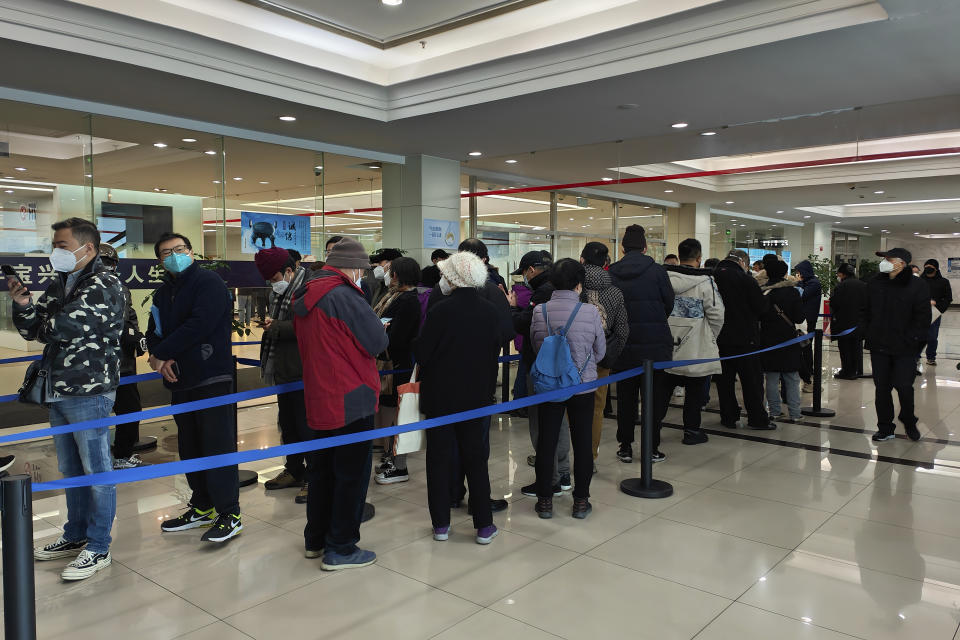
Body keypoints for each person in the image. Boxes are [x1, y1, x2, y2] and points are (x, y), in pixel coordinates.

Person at [10, 217, 123, 580]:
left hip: (89, 390)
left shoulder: (104, 283)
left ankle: (98, 545)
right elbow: (34, 327)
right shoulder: (62, 281)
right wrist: (24, 303)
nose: (55, 252)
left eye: (61, 245)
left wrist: (44, 323)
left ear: (87, 247)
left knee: (97, 470)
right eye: (54, 245)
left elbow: (61, 328)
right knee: (72, 469)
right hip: (58, 387)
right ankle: (75, 535)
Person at [292, 237, 388, 569]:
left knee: (321, 472)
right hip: (351, 395)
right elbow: (376, 341)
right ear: (353, 268)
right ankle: (342, 547)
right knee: (351, 475)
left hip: (319, 395)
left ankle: (315, 539)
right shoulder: (344, 295)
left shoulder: (306, 292)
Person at [147, 232, 241, 544]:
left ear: (190, 251)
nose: (174, 255)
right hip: (180, 380)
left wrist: (162, 353)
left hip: (211, 376)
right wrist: (159, 357)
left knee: (217, 445)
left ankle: (230, 512)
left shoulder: (209, 283)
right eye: (166, 252)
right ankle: (202, 505)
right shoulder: (162, 294)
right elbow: (154, 331)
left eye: (179, 249)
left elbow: (199, 324)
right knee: (190, 446)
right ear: (160, 260)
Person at [416, 251, 507, 544]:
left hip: (440, 397)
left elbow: (422, 353)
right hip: (477, 396)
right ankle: (483, 525)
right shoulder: (490, 311)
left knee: (439, 459)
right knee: (475, 459)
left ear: (452, 277)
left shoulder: (439, 311)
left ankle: (441, 524)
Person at [530, 259, 605, 518]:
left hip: (550, 386)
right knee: (582, 443)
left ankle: (545, 502)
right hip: (582, 387)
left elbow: (535, 346)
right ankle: (581, 502)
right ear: (579, 284)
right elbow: (601, 351)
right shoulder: (590, 312)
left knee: (546, 442)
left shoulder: (540, 311)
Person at [608, 225, 674, 462]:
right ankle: (652, 448)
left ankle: (625, 446)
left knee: (625, 400)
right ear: (646, 248)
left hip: (623, 345)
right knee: (653, 401)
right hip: (654, 347)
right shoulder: (658, 271)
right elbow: (669, 303)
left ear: (623, 248)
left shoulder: (612, 271)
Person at [507, 250, 571, 491]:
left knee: (541, 424)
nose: (523, 277)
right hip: (561, 364)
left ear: (531, 270)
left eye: (523, 272)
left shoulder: (543, 292)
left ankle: (549, 478)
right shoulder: (561, 289)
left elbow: (524, 324)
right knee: (558, 420)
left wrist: (512, 308)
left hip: (541, 364)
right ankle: (563, 474)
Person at [655, 238, 725, 445]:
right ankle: (692, 431)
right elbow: (716, 314)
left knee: (661, 393)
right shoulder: (706, 282)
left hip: (665, 345)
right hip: (695, 347)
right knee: (695, 393)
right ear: (698, 258)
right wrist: (709, 336)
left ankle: (654, 429)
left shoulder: (662, 278)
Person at [255, 247, 310, 503]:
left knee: (306, 425)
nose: (272, 284)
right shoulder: (281, 292)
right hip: (284, 369)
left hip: (304, 370)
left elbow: (311, 325)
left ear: (290, 270)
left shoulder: (309, 287)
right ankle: (294, 469)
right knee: (288, 424)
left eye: (274, 279)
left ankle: (314, 477)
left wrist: (277, 327)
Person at [863, 248, 930, 442]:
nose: (885, 261)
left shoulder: (917, 285)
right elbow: (865, 310)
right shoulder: (875, 283)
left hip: (905, 348)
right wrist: (867, 331)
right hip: (879, 346)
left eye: (888, 258)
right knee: (881, 389)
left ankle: (908, 420)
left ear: (902, 263)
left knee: (904, 387)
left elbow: (923, 317)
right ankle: (885, 427)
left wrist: (912, 340)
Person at [372, 256, 422, 485]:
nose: (387, 274)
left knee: (400, 414)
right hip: (387, 363)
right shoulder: (394, 295)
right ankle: (391, 457)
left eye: (390, 271)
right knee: (392, 412)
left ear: (398, 275)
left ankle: (399, 465)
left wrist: (380, 329)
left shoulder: (409, 300)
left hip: (398, 365)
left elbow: (398, 338)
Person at [579, 242, 628, 468]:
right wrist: (609, 354)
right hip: (602, 358)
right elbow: (622, 331)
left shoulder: (574, 287)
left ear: (582, 260)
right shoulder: (615, 291)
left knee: (568, 404)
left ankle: (566, 455)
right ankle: (590, 456)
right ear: (606, 262)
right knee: (597, 407)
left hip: (574, 356)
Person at [714, 249, 775, 430]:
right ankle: (757, 419)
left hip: (719, 339)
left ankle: (728, 417)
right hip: (745, 339)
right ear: (742, 262)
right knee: (751, 382)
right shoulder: (746, 280)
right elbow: (761, 308)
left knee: (724, 382)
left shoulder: (712, 277)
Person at [99, 244, 148, 470]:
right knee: (104, 411)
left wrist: (135, 337)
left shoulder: (120, 287)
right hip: (101, 364)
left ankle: (121, 454)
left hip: (123, 361)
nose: (107, 267)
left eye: (109, 263)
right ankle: (111, 457)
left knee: (128, 408)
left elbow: (130, 316)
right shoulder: (86, 289)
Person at [758, 259, 804, 422]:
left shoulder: (762, 292)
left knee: (771, 378)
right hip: (788, 339)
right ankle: (795, 413)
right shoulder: (792, 292)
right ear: (785, 273)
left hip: (767, 339)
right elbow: (799, 317)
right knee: (791, 377)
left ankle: (775, 412)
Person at [831, 263, 868, 379]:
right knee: (856, 348)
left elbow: (834, 303)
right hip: (859, 323)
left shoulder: (841, 286)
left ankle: (847, 372)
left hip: (844, 324)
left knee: (845, 349)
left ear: (842, 274)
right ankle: (855, 370)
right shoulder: (863, 285)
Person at [794, 259, 822, 393]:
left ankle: (808, 372)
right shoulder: (808, 282)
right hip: (801, 319)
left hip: (808, 320)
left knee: (806, 346)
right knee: (803, 346)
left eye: (799, 272)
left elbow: (802, 295)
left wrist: (798, 282)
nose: (798, 274)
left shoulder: (814, 283)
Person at [920, 259, 952, 366]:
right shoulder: (919, 281)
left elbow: (948, 298)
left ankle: (931, 357)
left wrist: (938, 308)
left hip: (935, 313)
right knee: (917, 336)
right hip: (919, 313)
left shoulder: (943, 282)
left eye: (930, 267)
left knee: (932, 337)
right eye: (926, 267)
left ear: (936, 268)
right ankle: (915, 356)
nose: (927, 269)